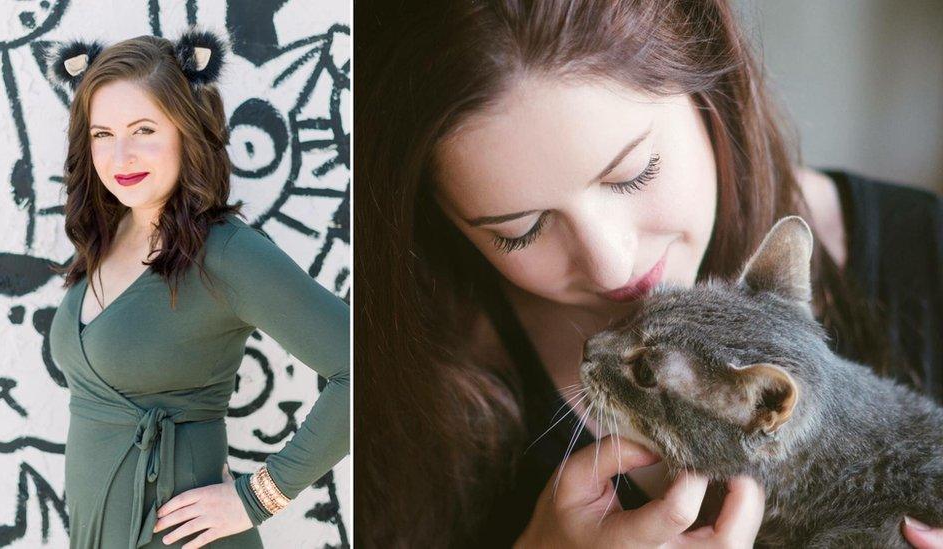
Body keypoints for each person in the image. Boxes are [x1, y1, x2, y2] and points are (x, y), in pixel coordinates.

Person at [355, 1, 943, 547]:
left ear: (703, 77)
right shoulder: (382, 364)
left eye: (633, 174)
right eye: (521, 229)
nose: (612, 264)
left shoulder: (925, 248)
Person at [46, 27, 349, 548]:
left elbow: (360, 363)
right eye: (102, 134)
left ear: (186, 130)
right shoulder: (109, 234)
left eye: (143, 130)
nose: (120, 157)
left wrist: (260, 496)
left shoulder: (227, 252)